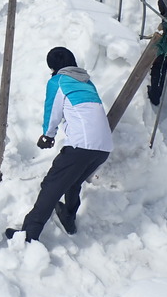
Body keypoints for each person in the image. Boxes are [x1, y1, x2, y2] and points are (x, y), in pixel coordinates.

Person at [6, 47, 113, 243]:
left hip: (82, 145)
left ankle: (29, 234)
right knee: (73, 182)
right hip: (103, 147)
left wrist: (48, 136)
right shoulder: (87, 82)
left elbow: (52, 109)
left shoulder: (58, 81)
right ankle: (68, 218)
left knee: (51, 186)